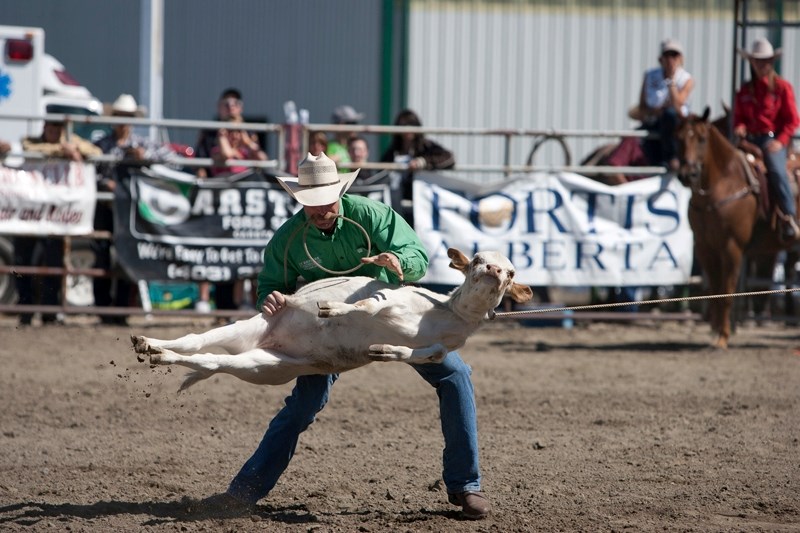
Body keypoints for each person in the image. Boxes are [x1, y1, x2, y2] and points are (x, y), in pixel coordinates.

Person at [199, 152, 491, 520]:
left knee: (455, 374)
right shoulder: (289, 239)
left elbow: (415, 254)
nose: (320, 210)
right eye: (311, 204)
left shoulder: (371, 216)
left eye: (326, 201)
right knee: (303, 405)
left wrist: (399, 263)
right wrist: (269, 300)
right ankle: (243, 492)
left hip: (389, 317)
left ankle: (466, 485)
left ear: (340, 192)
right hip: (328, 333)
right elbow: (271, 288)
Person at [92, 94, 173, 324]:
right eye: (119, 116)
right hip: (106, 207)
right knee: (101, 255)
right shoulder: (102, 145)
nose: (122, 121)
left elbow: (171, 159)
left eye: (126, 117)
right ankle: (104, 309)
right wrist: (105, 183)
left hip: (128, 210)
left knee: (126, 256)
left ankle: (120, 309)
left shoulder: (141, 144)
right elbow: (91, 172)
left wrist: (144, 158)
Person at [16, 119, 102, 326]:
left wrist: (74, 149)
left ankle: (50, 311)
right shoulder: (33, 141)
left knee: (53, 262)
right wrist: (62, 150)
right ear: (45, 128)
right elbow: (29, 147)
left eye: (57, 129)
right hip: (33, 212)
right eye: (51, 128)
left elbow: (95, 151)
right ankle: (26, 310)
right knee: (23, 261)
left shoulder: (73, 142)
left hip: (55, 215)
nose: (54, 132)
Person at [733, 37, 800, 241]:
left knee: (777, 170)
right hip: (749, 142)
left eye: (766, 60)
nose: (762, 65)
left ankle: (789, 215)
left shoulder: (781, 88)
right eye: (758, 61)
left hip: (773, 141)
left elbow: (792, 119)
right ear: (752, 62)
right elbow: (738, 118)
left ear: (772, 62)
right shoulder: (745, 91)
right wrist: (740, 127)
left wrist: (780, 141)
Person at [380, 109, 455, 225]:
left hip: (421, 200)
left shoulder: (425, 146)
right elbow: (381, 171)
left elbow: (449, 158)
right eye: (402, 125)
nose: (407, 129)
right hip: (396, 200)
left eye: (410, 124)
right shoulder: (393, 150)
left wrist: (423, 162)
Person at [633, 39, 694, 172]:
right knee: (635, 138)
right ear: (661, 59)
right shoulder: (650, 76)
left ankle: (671, 158)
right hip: (654, 121)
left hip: (676, 125)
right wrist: (655, 111)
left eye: (674, 55)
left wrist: (671, 82)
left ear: (681, 59)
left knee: (670, 115)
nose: (671, 60)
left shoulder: (686, 79)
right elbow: (642, 106)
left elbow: (678, 107)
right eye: (667, 55)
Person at [327, 105, 363, 172]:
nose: (355, 127)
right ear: (341, 124)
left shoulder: (353, 145)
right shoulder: (329, 147)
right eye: (352, 123)